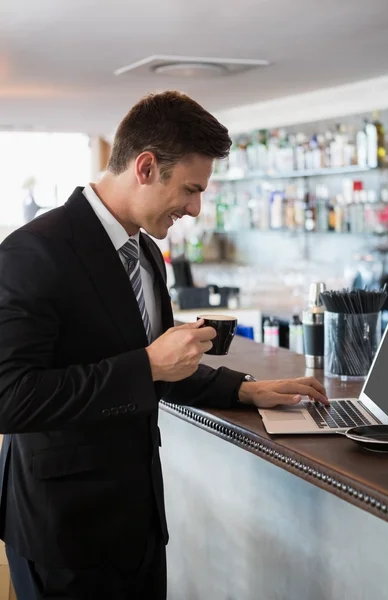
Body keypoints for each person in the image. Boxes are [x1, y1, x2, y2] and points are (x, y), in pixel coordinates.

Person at [0, 91, 328, 600]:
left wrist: (246, 390)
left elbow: (160, 367)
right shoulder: (32, 252)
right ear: (147, 167)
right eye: (191, 189)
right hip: (63, 531)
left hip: (140, 523)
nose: (196, 209)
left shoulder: (148, 252)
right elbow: (10, 397)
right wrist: (148, 363)